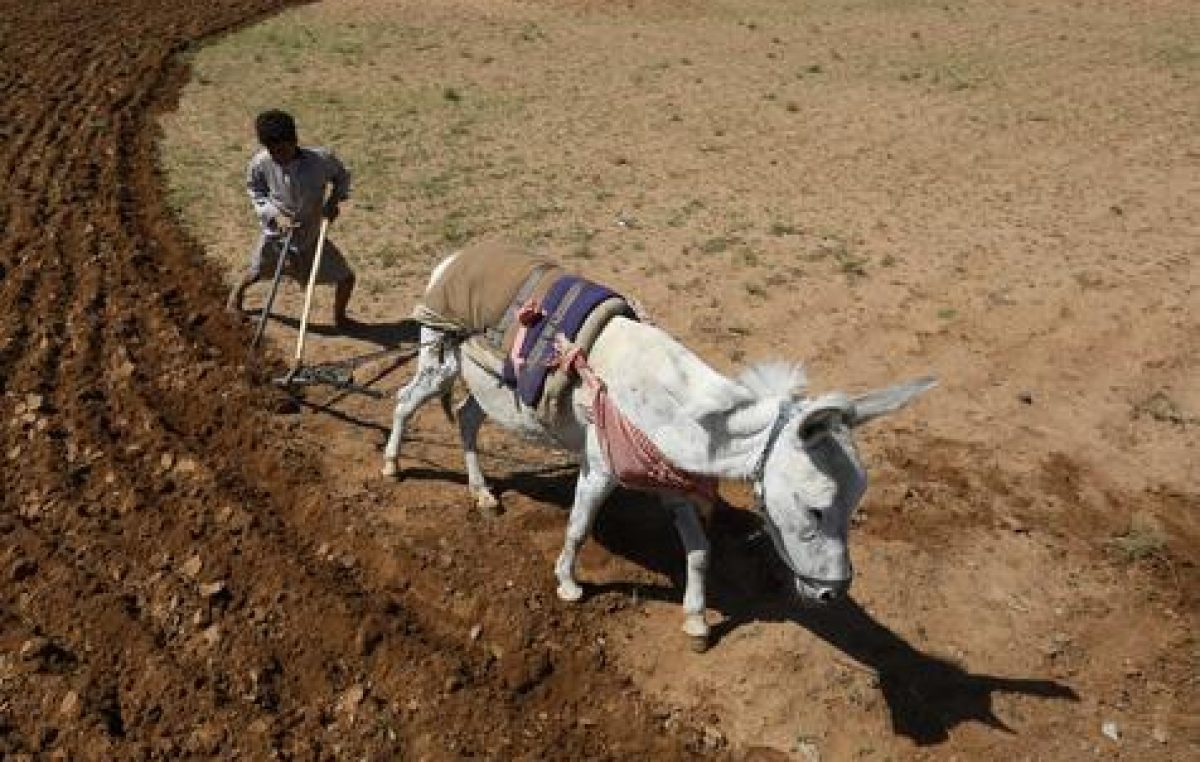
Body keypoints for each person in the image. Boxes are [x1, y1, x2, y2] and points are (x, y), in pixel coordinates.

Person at [227, 109, 356, 327]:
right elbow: (255, 191)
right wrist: (275, 215)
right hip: (278, 235)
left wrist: (333, 201)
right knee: (257, 271)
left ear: (295, 140)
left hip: (311, 233)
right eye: (273, 151)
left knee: (346, 278)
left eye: (284, 149)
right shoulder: (261, 163)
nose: (279, 157)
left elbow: (341, 177)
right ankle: (234, 297)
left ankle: (341, 318)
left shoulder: (321, 160)